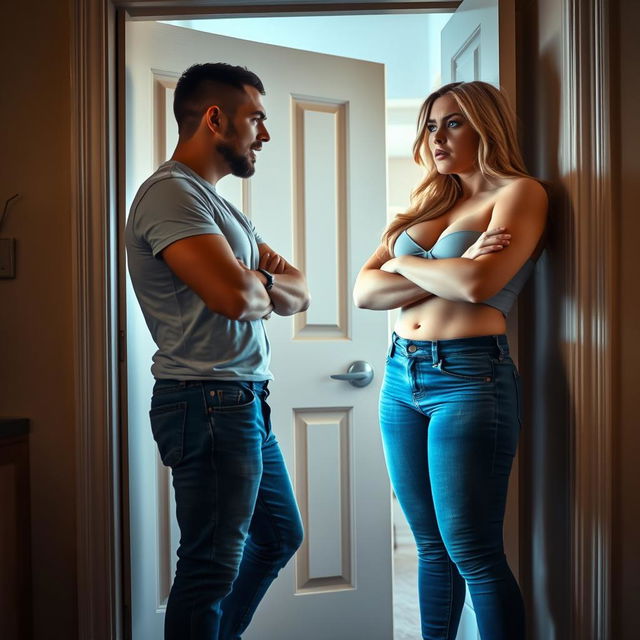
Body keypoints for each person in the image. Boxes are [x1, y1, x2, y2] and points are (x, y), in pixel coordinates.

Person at [353, 81, 547, 640]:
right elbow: (364, 292)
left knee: (474, 551)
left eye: (455, 122)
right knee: (430, 548)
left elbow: (481, 283)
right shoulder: (425, 203)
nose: (438, 136)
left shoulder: (519, 193)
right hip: (400, 376)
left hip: (470, 378)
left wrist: (404, 267)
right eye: (432, 125)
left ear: (486, 125)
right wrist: (447, 272)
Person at [125, 63, 309, 640]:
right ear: (215, 119)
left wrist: (257, 280)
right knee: (209, 568)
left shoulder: (219, 206)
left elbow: (298, 290)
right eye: (257, 118)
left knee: (279, 535)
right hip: (206, 402)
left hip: (242, 400)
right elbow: (235, 296)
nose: (266, 134)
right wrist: (254, 280)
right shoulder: (171, 196)